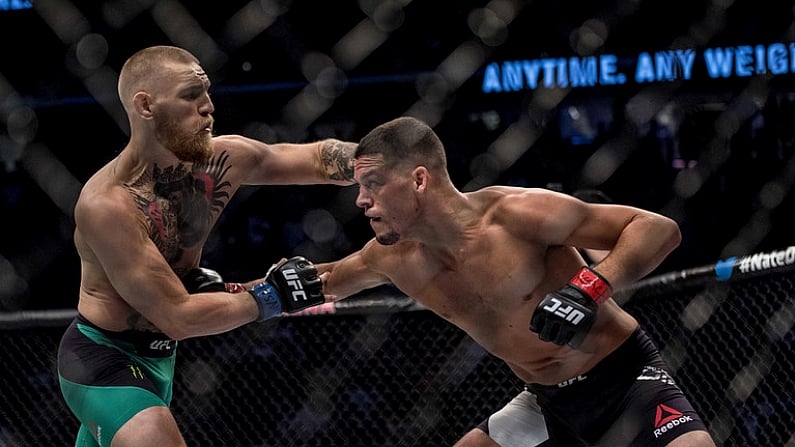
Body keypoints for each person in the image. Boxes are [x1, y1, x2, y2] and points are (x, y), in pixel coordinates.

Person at [318, 116, 717, 446]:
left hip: (625, 379)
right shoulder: (390, 257)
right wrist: (269, 287)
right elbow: (322, 279)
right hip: (546, 403)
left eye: (372, 185)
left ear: (418, 180)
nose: (360, 201)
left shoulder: (517, 215)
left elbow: (656, 228)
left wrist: (589, 289)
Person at [56, 45, 356, 447]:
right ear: (146, 106)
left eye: (207, 92)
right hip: (103, 359)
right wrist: (271, 295)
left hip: (162, 360)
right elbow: (177, 315)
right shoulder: (108, 205)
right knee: (154, 437)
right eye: (190, 95)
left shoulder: (220, 160)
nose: (208, 106)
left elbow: (318, 159)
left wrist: (384, 164)